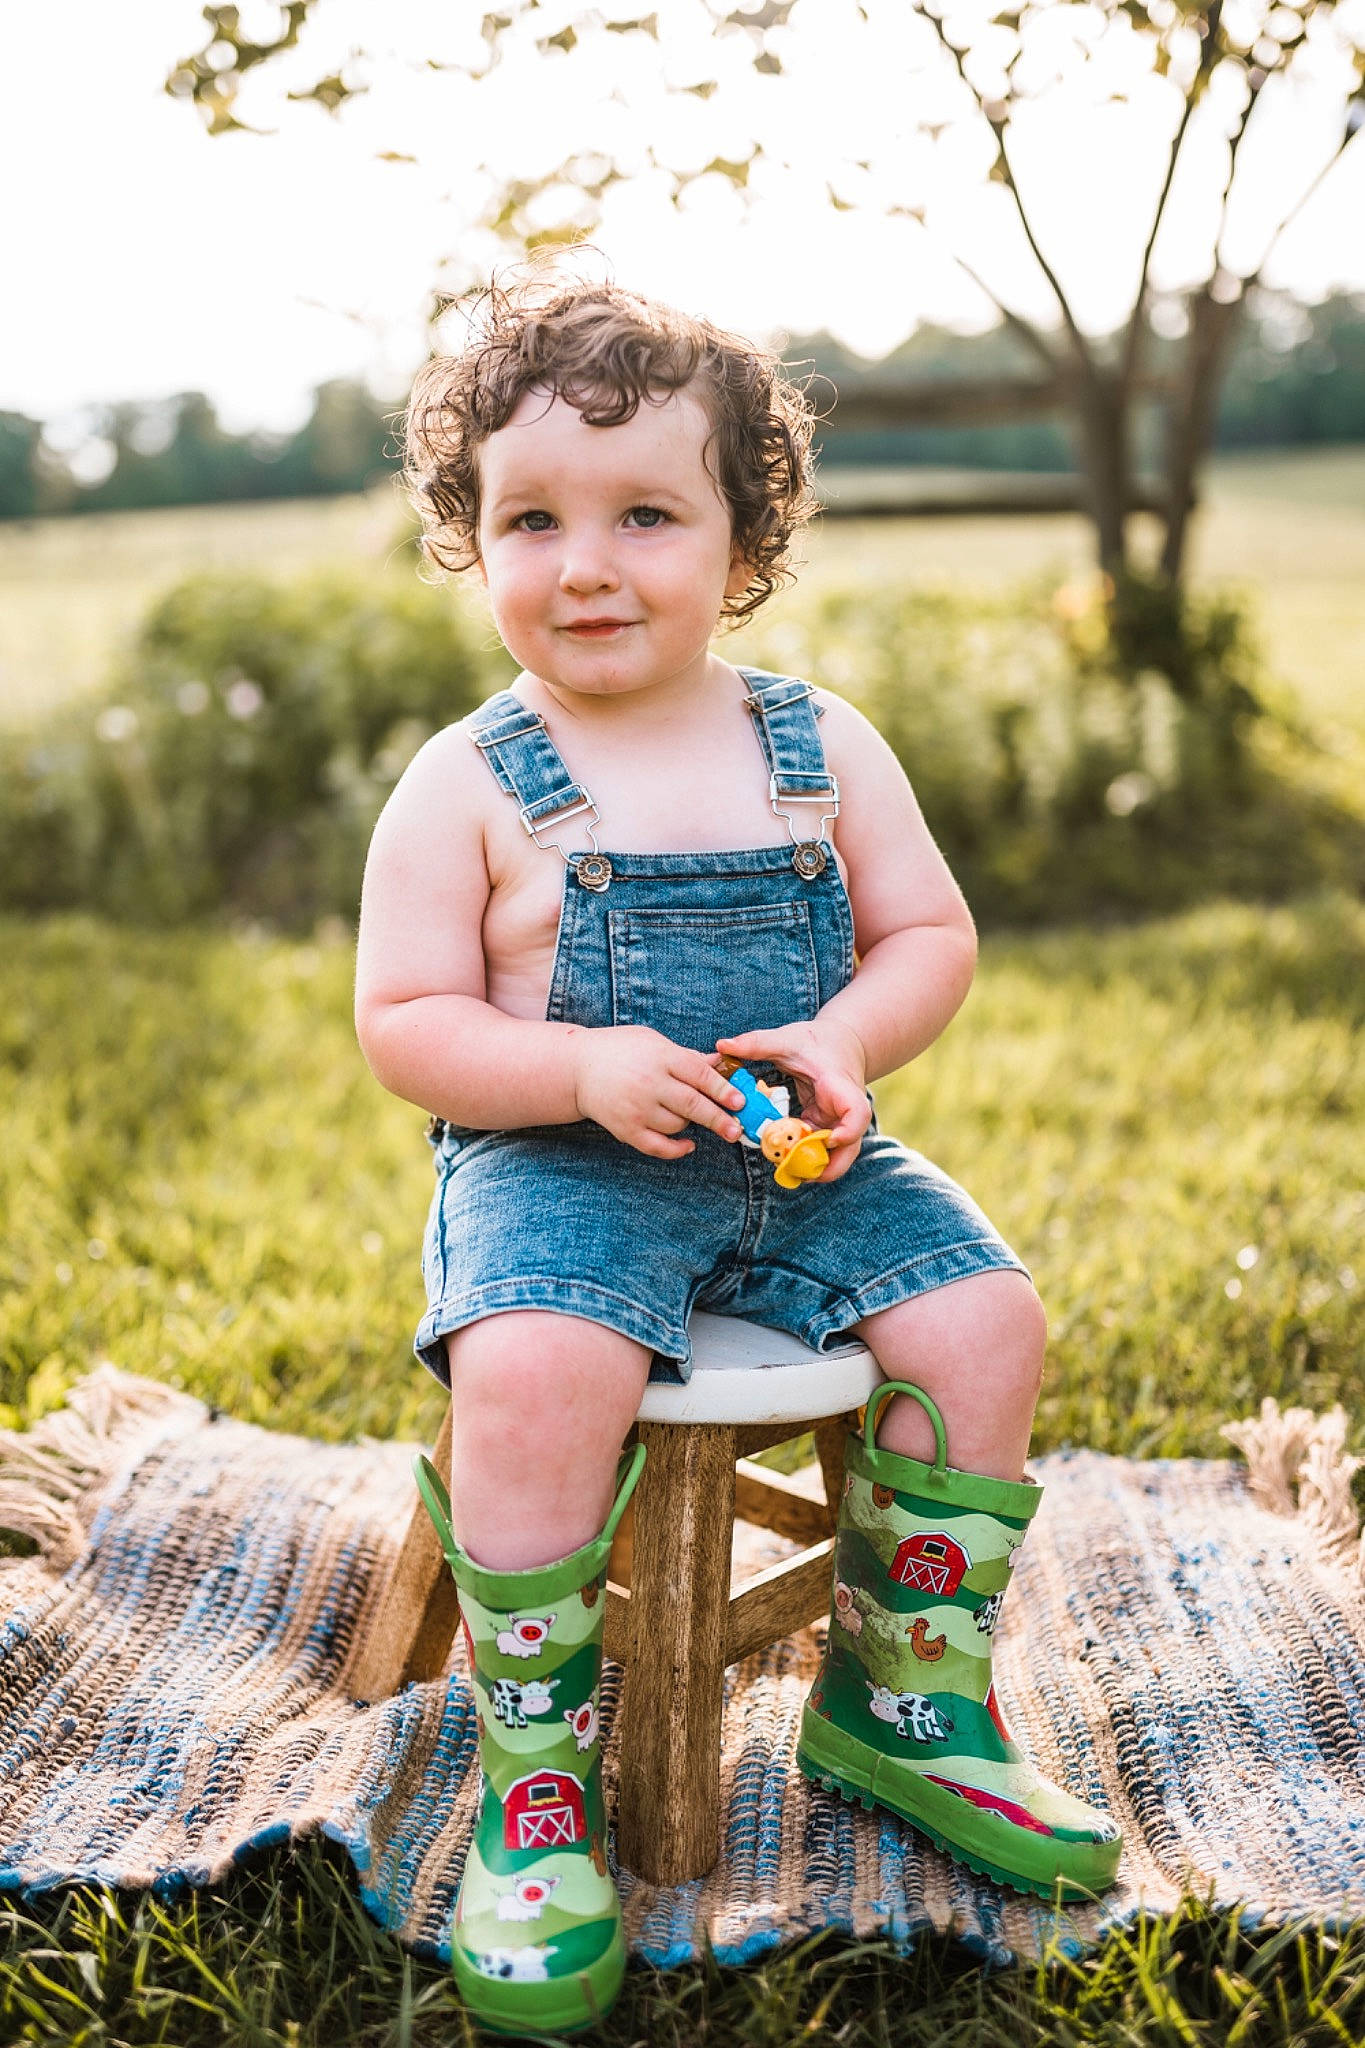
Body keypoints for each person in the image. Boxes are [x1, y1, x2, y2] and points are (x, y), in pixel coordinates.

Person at [354, 269, 1120, 2034]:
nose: (585, 562)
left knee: (982, 1321)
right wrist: (570, 1071)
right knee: (538, 1370)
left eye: (645, 513)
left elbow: (927, 936)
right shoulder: (467, 782)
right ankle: (535, 1771)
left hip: (800, 1156)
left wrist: (849, 1037)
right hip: (558, 1171)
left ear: (742, 537)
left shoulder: (813, 744)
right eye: (528, 518)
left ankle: (902, 1694)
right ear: (470, 541)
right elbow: (405, 1024)